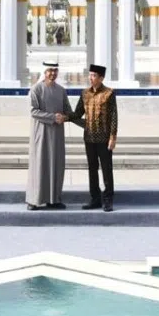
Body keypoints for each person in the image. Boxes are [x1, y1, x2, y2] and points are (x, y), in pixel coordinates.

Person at [25, 61, 75, 210]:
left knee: (56, 165)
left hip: (57, 135)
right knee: (39, 165)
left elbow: (68, 110)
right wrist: (53, 117)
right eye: (50, 70)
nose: (52, 73)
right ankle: (34, 200)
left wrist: (66, 117)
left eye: (55, 70)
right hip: (41, 133)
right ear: (44, 72)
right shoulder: (36, 89)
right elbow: (34, 111)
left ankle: (54, 199)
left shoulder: (61, 90)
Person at [74, 64, 118, 212]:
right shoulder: (85, 93)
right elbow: (77, 114)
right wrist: (65, 117)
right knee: (92, 169)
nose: (91, 78)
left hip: (104, 139)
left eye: (94, 76)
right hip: (89, 138)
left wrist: (113, 137)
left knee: (106, 169)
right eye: (90, 75)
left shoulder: (109, 93)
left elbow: (113, 116)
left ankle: (108, 199)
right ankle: (95, 199)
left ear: (101, 78)